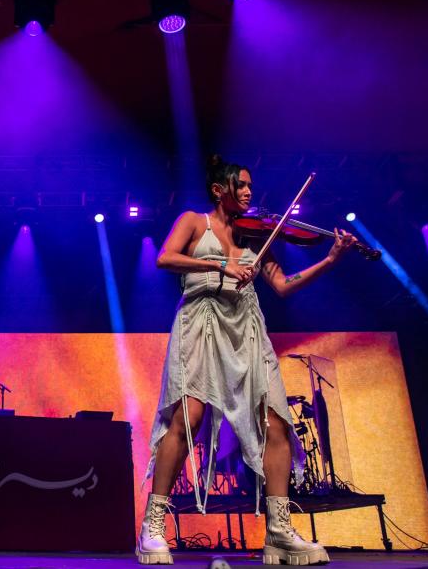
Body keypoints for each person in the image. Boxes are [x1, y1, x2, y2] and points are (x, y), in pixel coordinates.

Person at [136, 155, 358, 566]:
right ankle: (152, 527)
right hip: (201, 321)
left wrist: (330, 260)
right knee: (189, 418)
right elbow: (164, 258)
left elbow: (284, 286)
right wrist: (220, 265)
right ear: (219, 190)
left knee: (275, 421)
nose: (249, 192)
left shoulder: (257, 237)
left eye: (250, 186)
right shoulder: (193, 221)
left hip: (247, 325)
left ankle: (278, 533)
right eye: (240, 185)